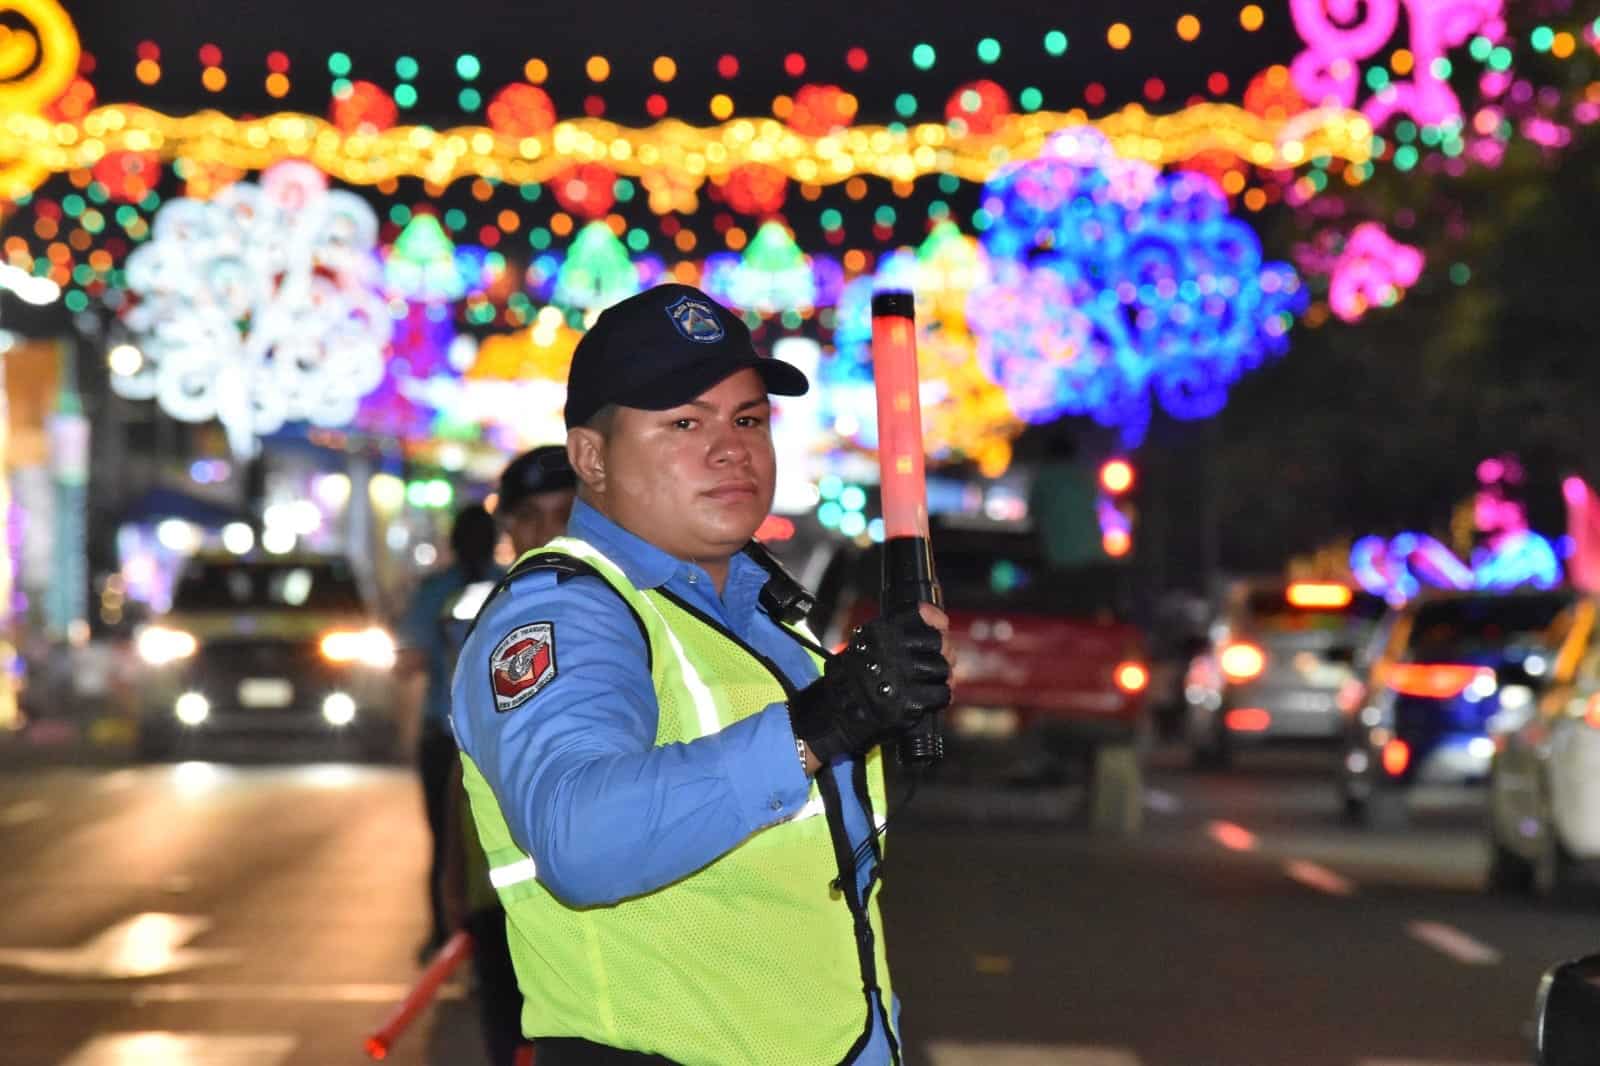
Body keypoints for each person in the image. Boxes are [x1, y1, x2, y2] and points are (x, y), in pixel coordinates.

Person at [450, 283, 954, 1065]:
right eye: (684, 422)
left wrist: (880, 701)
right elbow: (581, 839)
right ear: (591, 457)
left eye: (748, 419)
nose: (731, 449)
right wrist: (822, 725)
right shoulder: (568, 612)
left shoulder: (760, 615)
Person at [441, 446, 578, 1066]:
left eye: (566, 511)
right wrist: (452, 881)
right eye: (532, 516)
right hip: (502, 899)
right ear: (510, 528)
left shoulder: (631, 610)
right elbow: (463, 763)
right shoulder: (491, 617)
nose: (550, 530)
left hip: (593, 896)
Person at [398, 502, 501, 962]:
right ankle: (483, 935)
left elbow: (409, 658)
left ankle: (448, 935)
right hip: (494, 736)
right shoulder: (512, 583)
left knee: (445, 838)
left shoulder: (436, 591)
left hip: (444, 733)